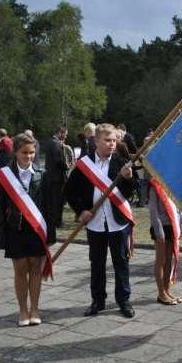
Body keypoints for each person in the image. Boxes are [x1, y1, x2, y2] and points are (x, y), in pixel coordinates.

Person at [64, 123, 136, 318]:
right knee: (97, 263)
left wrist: (129, 179)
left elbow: (129, 193)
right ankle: (98, 300)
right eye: (107, 140)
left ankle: (124, 301)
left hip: (117, 223)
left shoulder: (121, 162)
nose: (112, 144)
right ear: (96, 141)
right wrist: (81, 211)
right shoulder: (84, 164)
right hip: (95, 224)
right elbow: (70, 192)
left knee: (121, 263)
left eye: (114, 140)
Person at [0, 133, 55, 326]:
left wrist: (50, 233)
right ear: (15, 152)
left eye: (32, 152)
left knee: (35, 269)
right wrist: (0, 235)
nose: (28, 156)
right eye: (24, 153)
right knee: (20, 269)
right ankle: (22, 310)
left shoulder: (42, 174)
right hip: (15, 229)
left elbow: (49, 206)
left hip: (37, 230)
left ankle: (35, 309)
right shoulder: (5, 175)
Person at [148, 177, 182, 305]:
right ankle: (161, 293)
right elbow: (154, 212)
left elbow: (179, 206)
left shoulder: (172, 182)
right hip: (161, 227)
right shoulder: (154, 186)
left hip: (173, 226)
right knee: (161, 260)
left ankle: (167, 290)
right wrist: (159, 233)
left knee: (170, 259)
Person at [45, 126, 69, 226]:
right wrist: (67, 167)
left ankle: (53, 219)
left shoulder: (50, 142)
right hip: (57, 177)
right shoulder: (56, 144)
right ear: (60, 133)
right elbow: (58, 161)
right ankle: (57, 221)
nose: (66, 136)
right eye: (65, 134)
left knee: (53, 200)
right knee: (58, 201)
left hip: (51, 176)